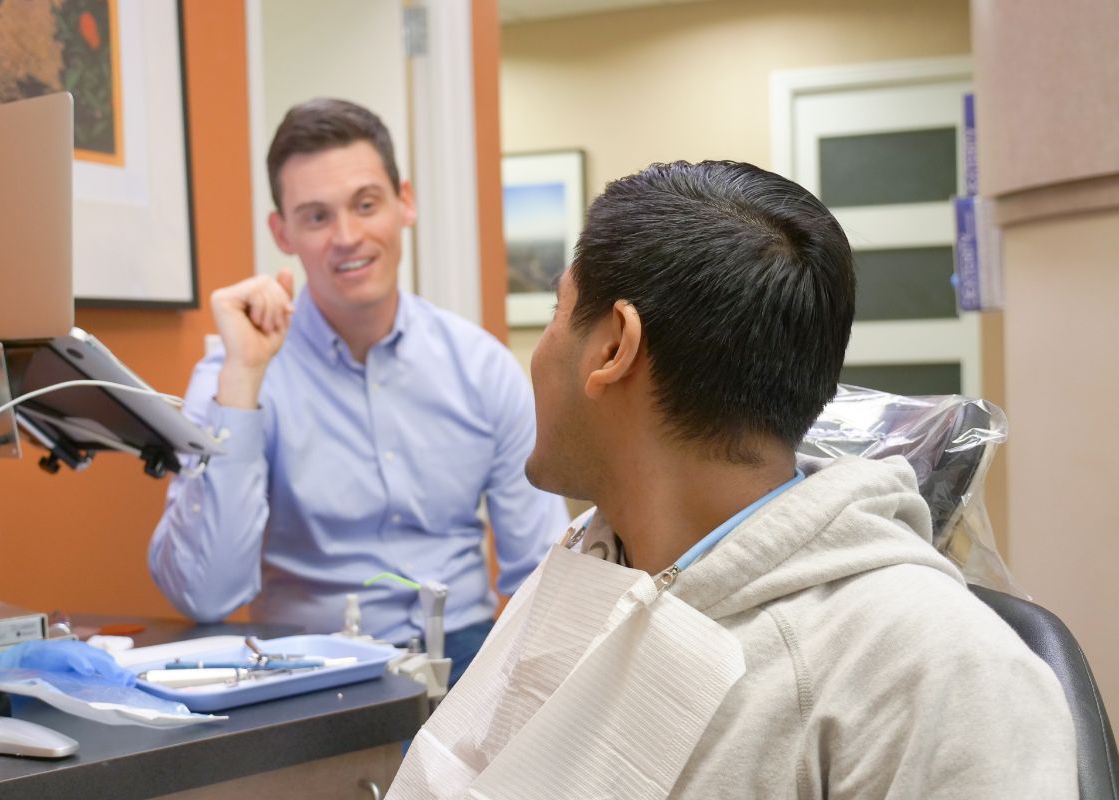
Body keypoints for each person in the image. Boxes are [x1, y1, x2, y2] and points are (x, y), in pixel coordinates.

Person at [387, 161, 1076, 797]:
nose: (537, 356)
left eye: (556, 315)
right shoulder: (588, 560)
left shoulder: (941, 671)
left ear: (614, 347)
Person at [148, 98, 568, 684]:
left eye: (365, 205)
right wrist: (243, 380)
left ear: (405, 203)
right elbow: (205, 595)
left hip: (466, 660)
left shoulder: (481, 368)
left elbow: (542, 571)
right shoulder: (234, 372)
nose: (347, 236)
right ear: (282, 232)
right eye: (316, 217)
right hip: (306, 668)